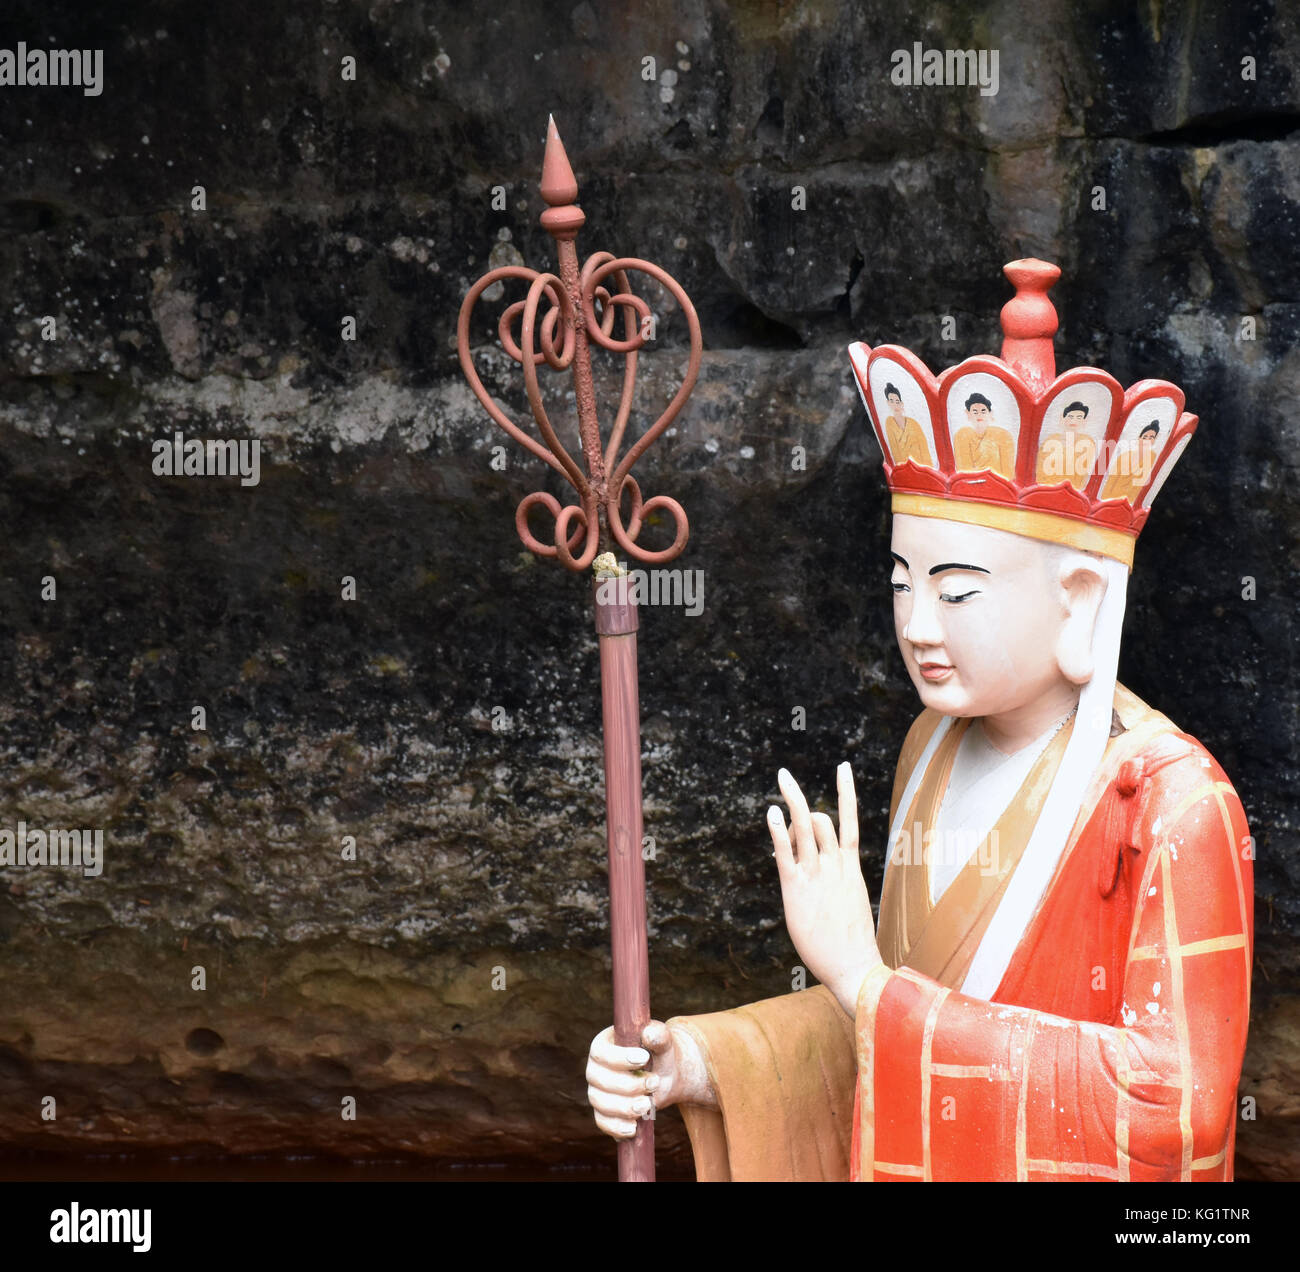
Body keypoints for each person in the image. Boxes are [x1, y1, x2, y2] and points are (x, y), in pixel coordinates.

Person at [584, 261, 1252, 1182]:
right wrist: (696, 1065)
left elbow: (1174, 1110)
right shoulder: (930, 749)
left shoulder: (1175, 807)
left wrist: (864, 984)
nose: (917, 626)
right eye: (902, 582)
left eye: (958, 590)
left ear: (1082, 601)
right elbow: (886, 1043)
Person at [952, 392, 1016, 479]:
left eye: (983, 411)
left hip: (999, 483)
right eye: (975, 412)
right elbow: (964, 469)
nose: (979, 415)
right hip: (972, 483)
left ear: (990, 413)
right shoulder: (962, 435)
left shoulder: (1002, 435)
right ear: (968, 414)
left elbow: (1008, 472)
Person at [1035, 400, 1097, 488]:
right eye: (1070, 416)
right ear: (1063, 418)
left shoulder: (1087, 442)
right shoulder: (1051, 440)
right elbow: (1039, 468)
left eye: (1079, 417)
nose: (1074, 421)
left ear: (1084, 421)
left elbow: (1087, 472)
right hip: (1046, 488)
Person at [1101, 421, 1161, 503]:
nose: (1147, 440)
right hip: (1112, 497)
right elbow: (1111, 480)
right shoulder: (1124, 456)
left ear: (1154, 440)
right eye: (1144, 437)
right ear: (1139, 438)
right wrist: (1104, 501)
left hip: (1130, 501)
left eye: (1151, 437)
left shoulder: (1153, 457)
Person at [882, 382, 934, 468]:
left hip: (921, 468)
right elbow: (894, 451)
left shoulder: (913, 424)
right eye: (891, 401)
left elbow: (924, 449)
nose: (895, 405)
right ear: (888, 402)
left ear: (901, 403)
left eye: (897, 401)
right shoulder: (889, 423)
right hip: (903, 469)